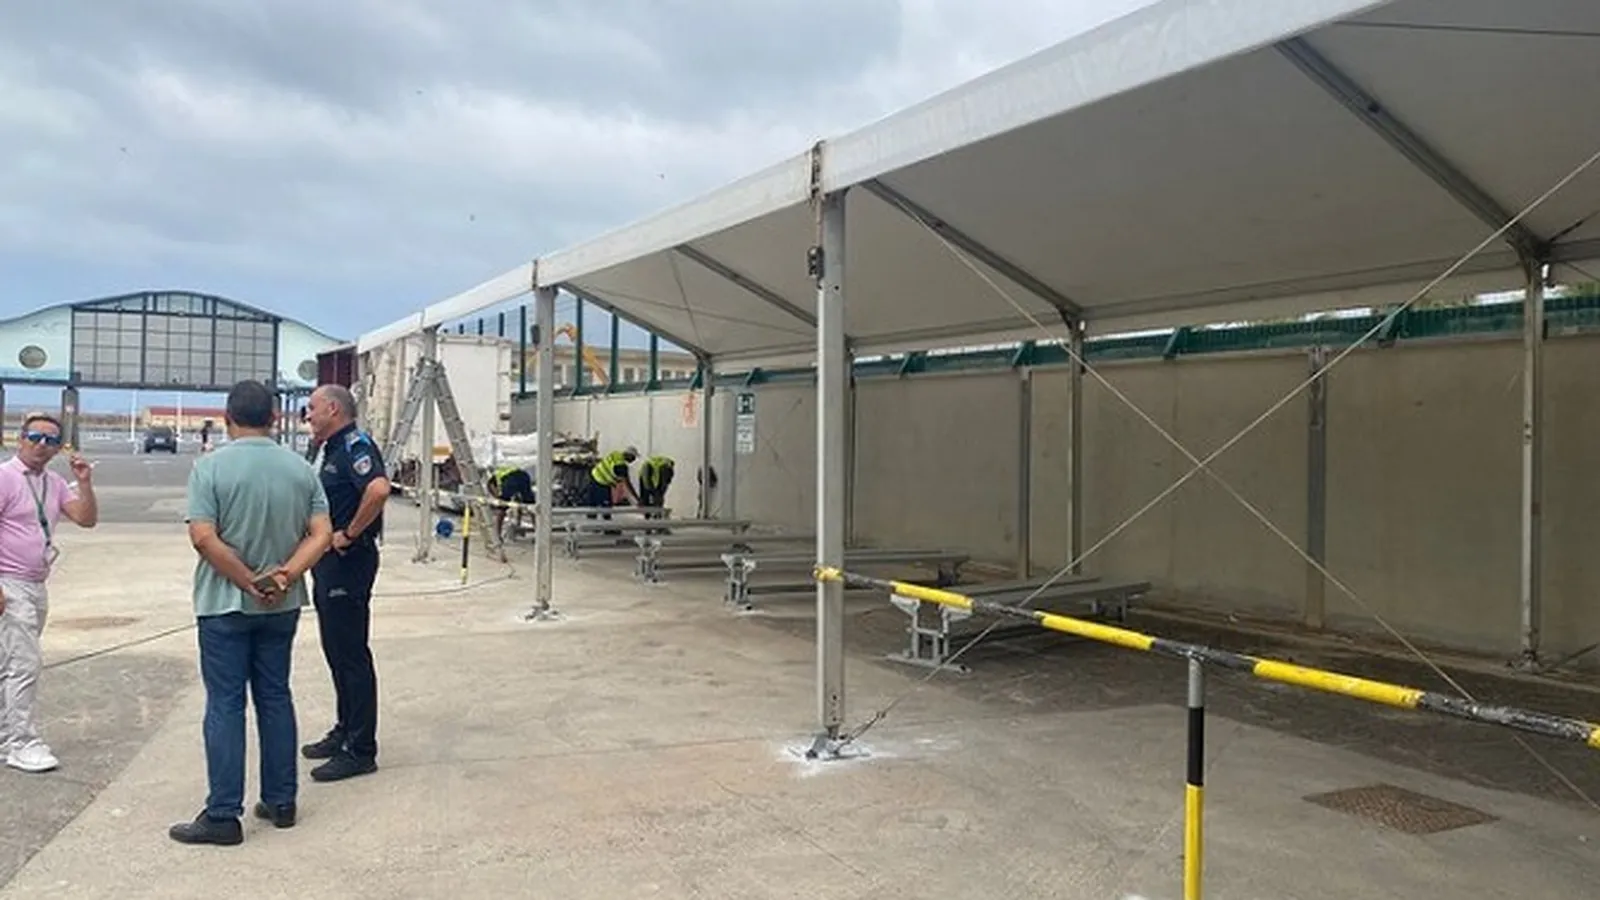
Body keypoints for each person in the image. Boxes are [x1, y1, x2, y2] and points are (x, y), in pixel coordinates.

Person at [168, 381, 333, 845]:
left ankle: (223, 814)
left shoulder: (210, 468)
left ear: (227, 419)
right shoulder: (300, 469)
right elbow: (321, 533)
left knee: (225, 704)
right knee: (275, 696)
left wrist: (246, 580)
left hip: (225, 604)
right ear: (275, 419)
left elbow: (203, 537)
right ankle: (281, 800)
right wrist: (285, 576)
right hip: (282, 606)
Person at [0, 413, 98, 774]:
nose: (42, 445)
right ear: (20, 438)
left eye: (51, 441)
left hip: (36, 583)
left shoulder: (54, 483)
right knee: (25, 663)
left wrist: (84, 483)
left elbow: (86, 519)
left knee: (9, 663)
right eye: (35, 437)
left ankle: (5, 735)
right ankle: (21, 742)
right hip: (9, 582)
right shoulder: (5, 478)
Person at [302, 384, 391, 782]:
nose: (308, 415)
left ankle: (360, 749)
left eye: (312, 408)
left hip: (348, 561)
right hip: (327, 562)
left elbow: (378, 489)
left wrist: (350, 533)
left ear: (333, 409)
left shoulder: (355, 445)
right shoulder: (329, 448)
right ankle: (345, 729)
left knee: (351, 653)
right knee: (335, 649)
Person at [488, 464, 536, 538]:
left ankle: (497, 535)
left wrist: (497, 498)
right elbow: (517, 500)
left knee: (501, 508)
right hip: (524, 476)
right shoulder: (505, 468)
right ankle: (538, 532)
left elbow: (491, 486)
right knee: (531, 506)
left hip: (510, 479)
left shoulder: (495, 478)